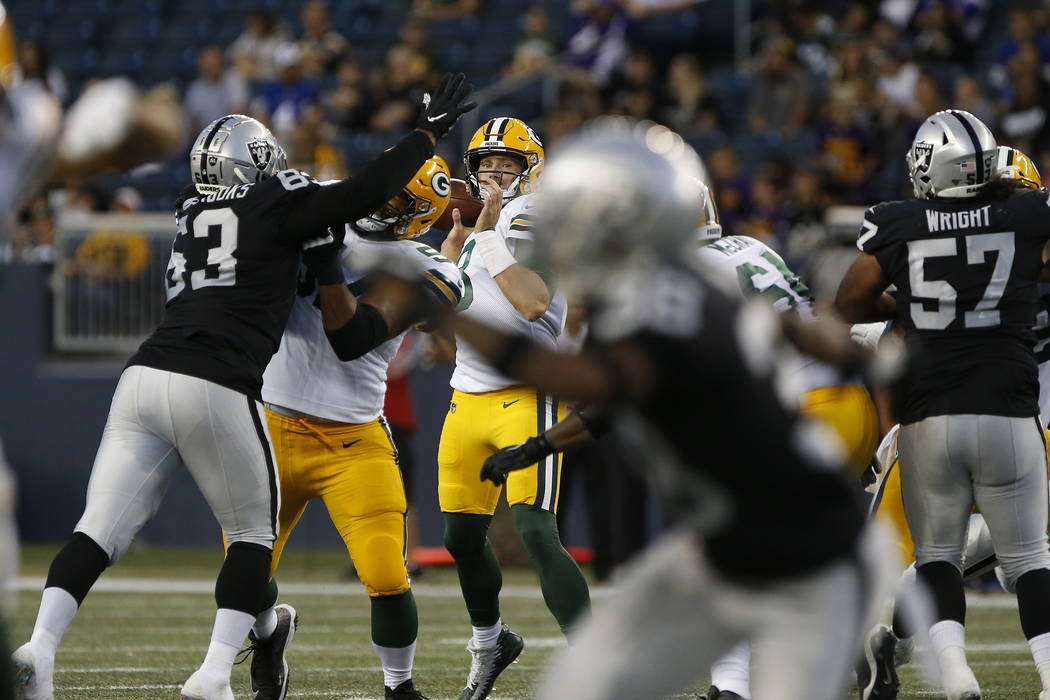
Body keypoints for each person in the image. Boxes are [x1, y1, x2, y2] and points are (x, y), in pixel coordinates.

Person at [11, 74, 475, 700]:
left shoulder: (191, 208)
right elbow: (358, 192)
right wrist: (425, 134)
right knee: (252, 541)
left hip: (146, 376)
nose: (382, 207)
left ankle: (38, 647)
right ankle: (212, 674)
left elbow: (350, 304)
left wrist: (328, 247)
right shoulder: (285, 203)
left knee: (98, 529)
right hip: (224, 386)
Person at [424, 119, 892, 700]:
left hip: (780, 519)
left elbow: (583, 375)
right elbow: (806, 333)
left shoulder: (654, 297)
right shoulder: (707, 277)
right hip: (770, 509)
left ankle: (823, 661)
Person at [836, 110, 1050, 700]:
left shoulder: (900, 221)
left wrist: (912, 302)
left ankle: (955, 677)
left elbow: (848, 302)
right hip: (1010, 409)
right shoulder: (1028, 215)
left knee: (937, 556)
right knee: (1030, 558)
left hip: (929, 415)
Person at [242, 156, 461, 700]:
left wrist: (321, 256)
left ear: (416, 216)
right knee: (242, 578)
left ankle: (399, 686)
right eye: (382, 190)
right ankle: (269, 637)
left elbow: (355, 331)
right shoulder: (331, 200)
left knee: (387, 573)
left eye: (397, 201)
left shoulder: (426, 267)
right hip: (273, 422)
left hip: (353, 439)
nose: (381, 201)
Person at [436, 117, 590, 700]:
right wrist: (453, 255)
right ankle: (491, 640)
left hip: (528, 395)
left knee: (536, 532)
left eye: (507, 164)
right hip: (467, 394)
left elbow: (531, 303)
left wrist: (487, 235)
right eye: (485, 164)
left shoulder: (535, 216)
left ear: (532, 169)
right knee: (460, 539)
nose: (494, 173)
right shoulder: (482, 225)